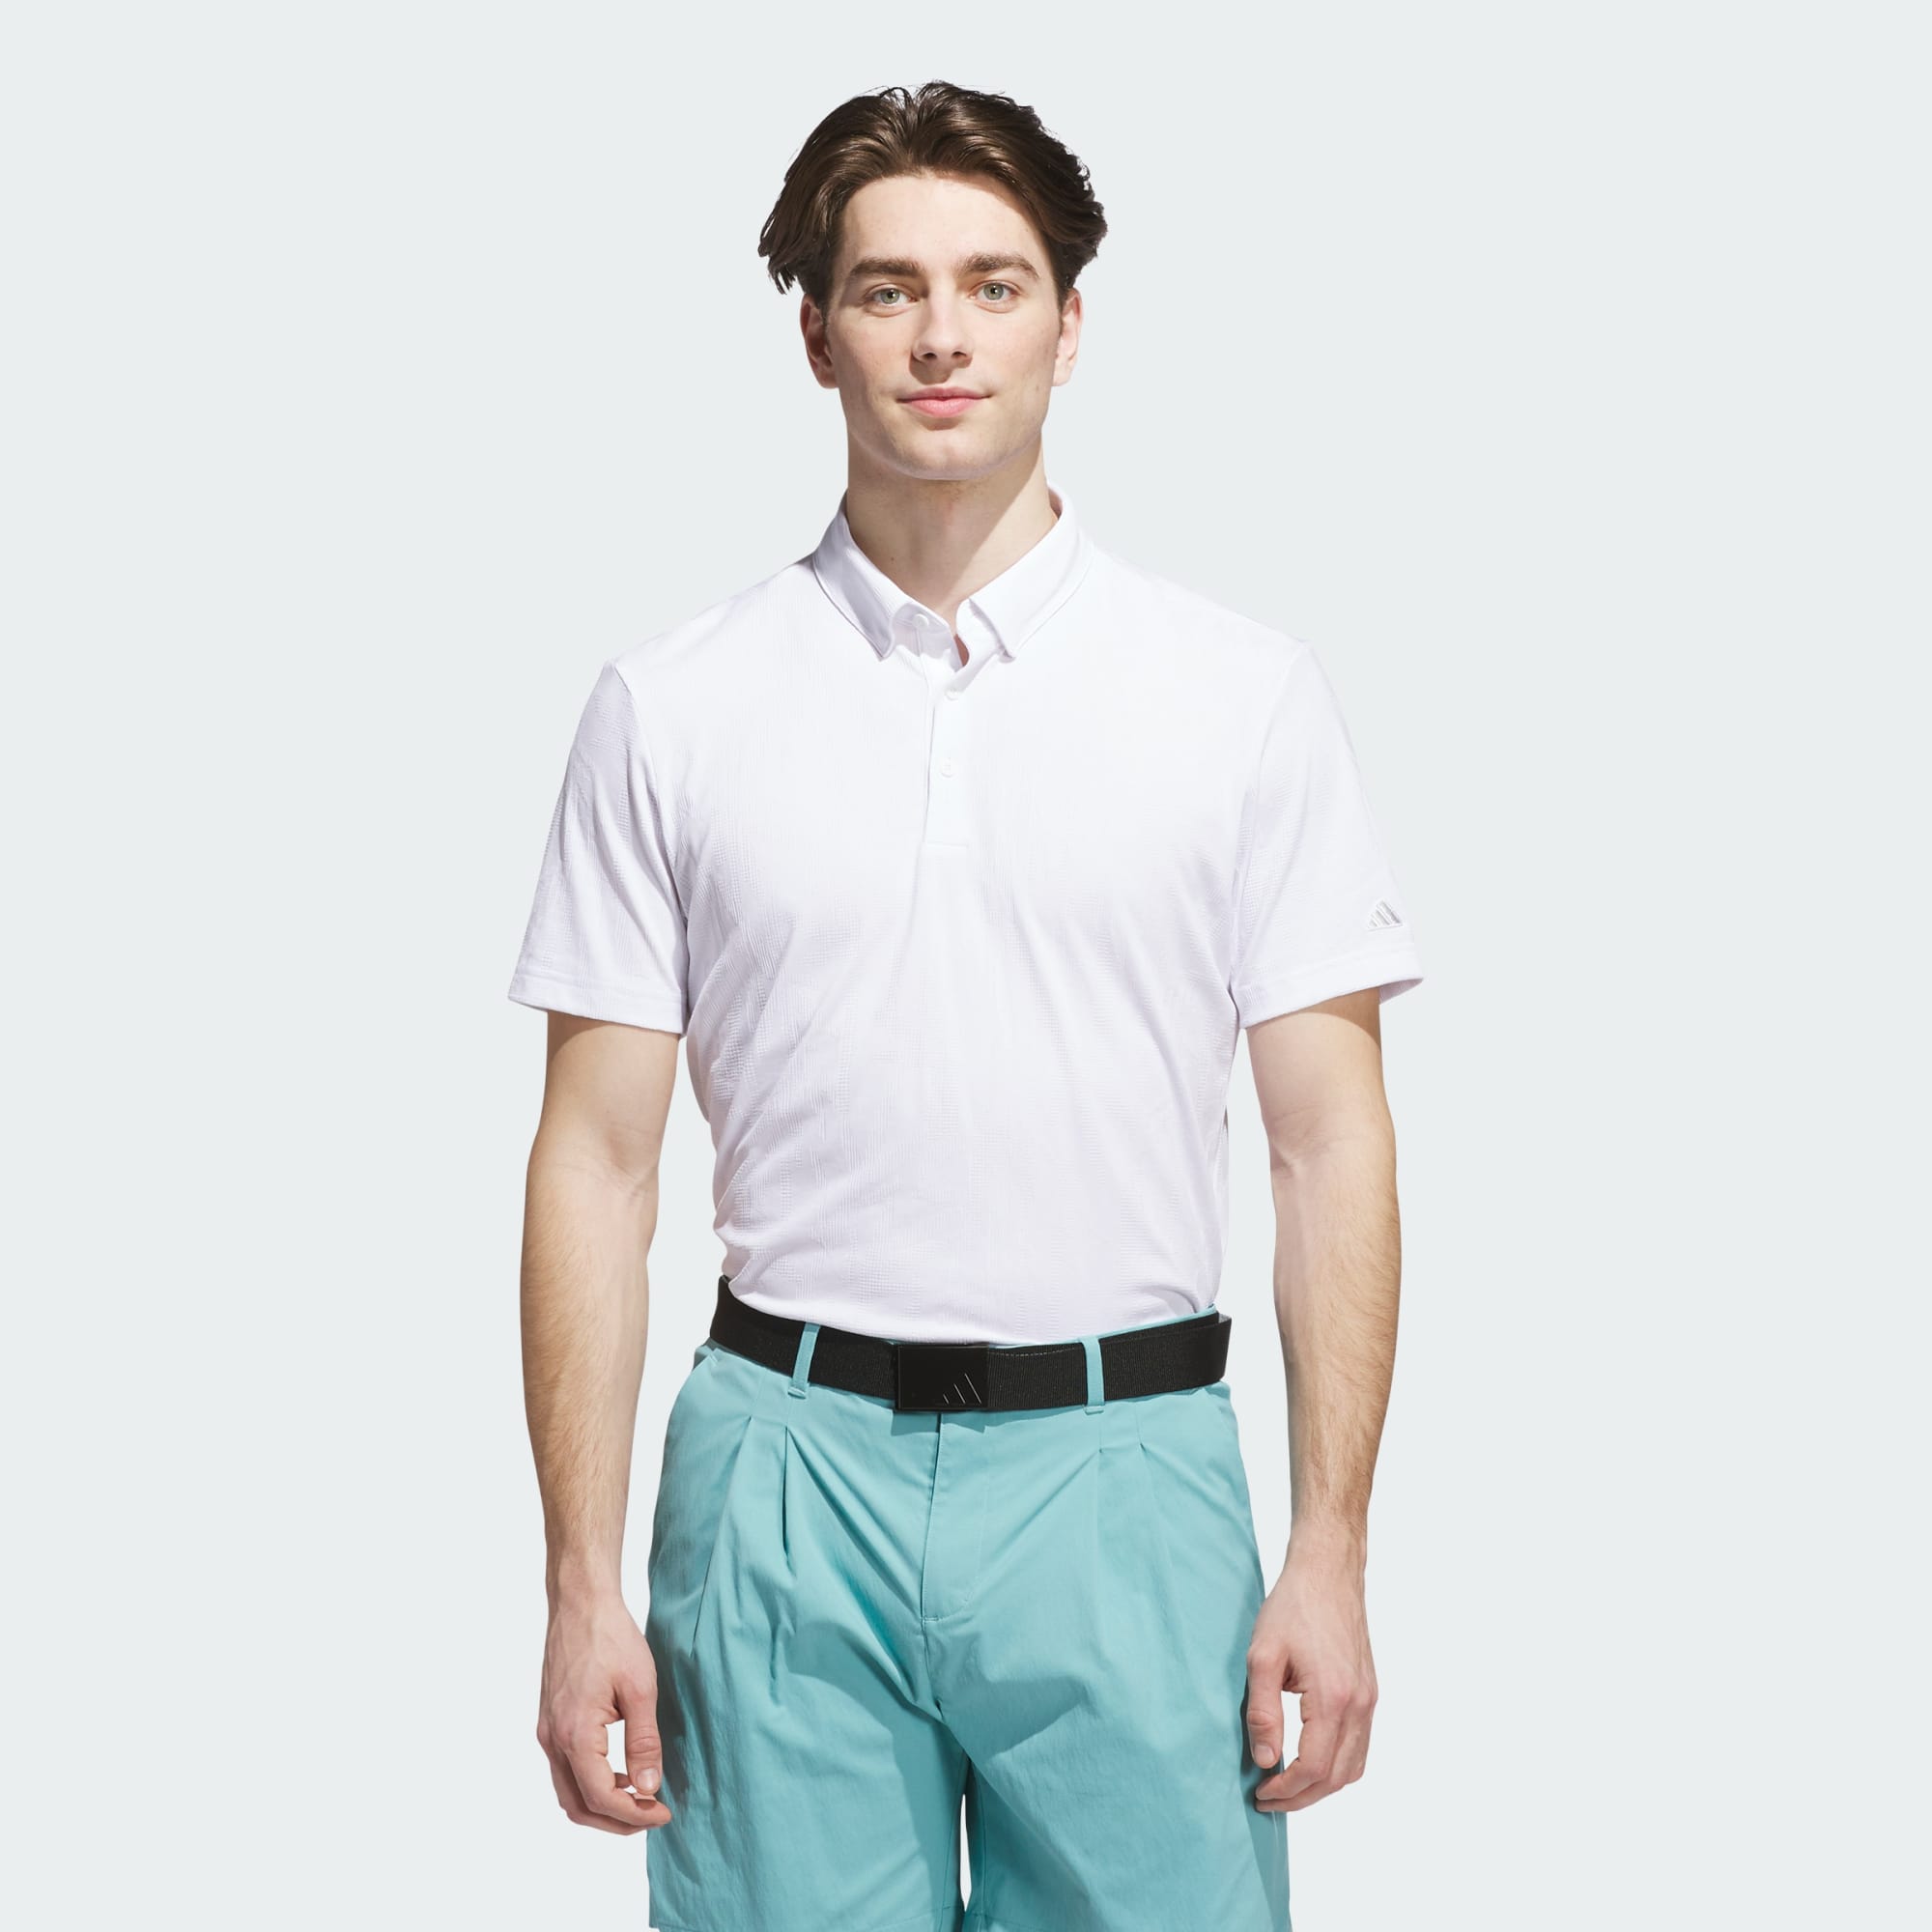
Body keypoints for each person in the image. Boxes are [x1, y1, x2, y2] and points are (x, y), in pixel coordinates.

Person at [507, 77, 1425, 1932]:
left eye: (994, 286)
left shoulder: (1239, 697)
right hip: (782, 1473)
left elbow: (1329, 1145)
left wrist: (1330, 1547)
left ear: (1069, 327)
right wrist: (579, 1580)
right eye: (889, 288)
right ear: (816, 333)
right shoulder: (672, 707)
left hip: (1128, 1471)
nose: (942, 336)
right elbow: (594, 1165)